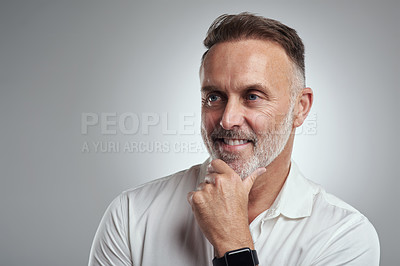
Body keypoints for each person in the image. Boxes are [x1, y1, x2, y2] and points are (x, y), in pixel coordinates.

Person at [88, 13, 380, 266]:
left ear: (300, 107)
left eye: (253, 96)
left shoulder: (344, 235)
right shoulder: (131, 215)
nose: (228, 119)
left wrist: (233, 246)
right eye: (214, 97)